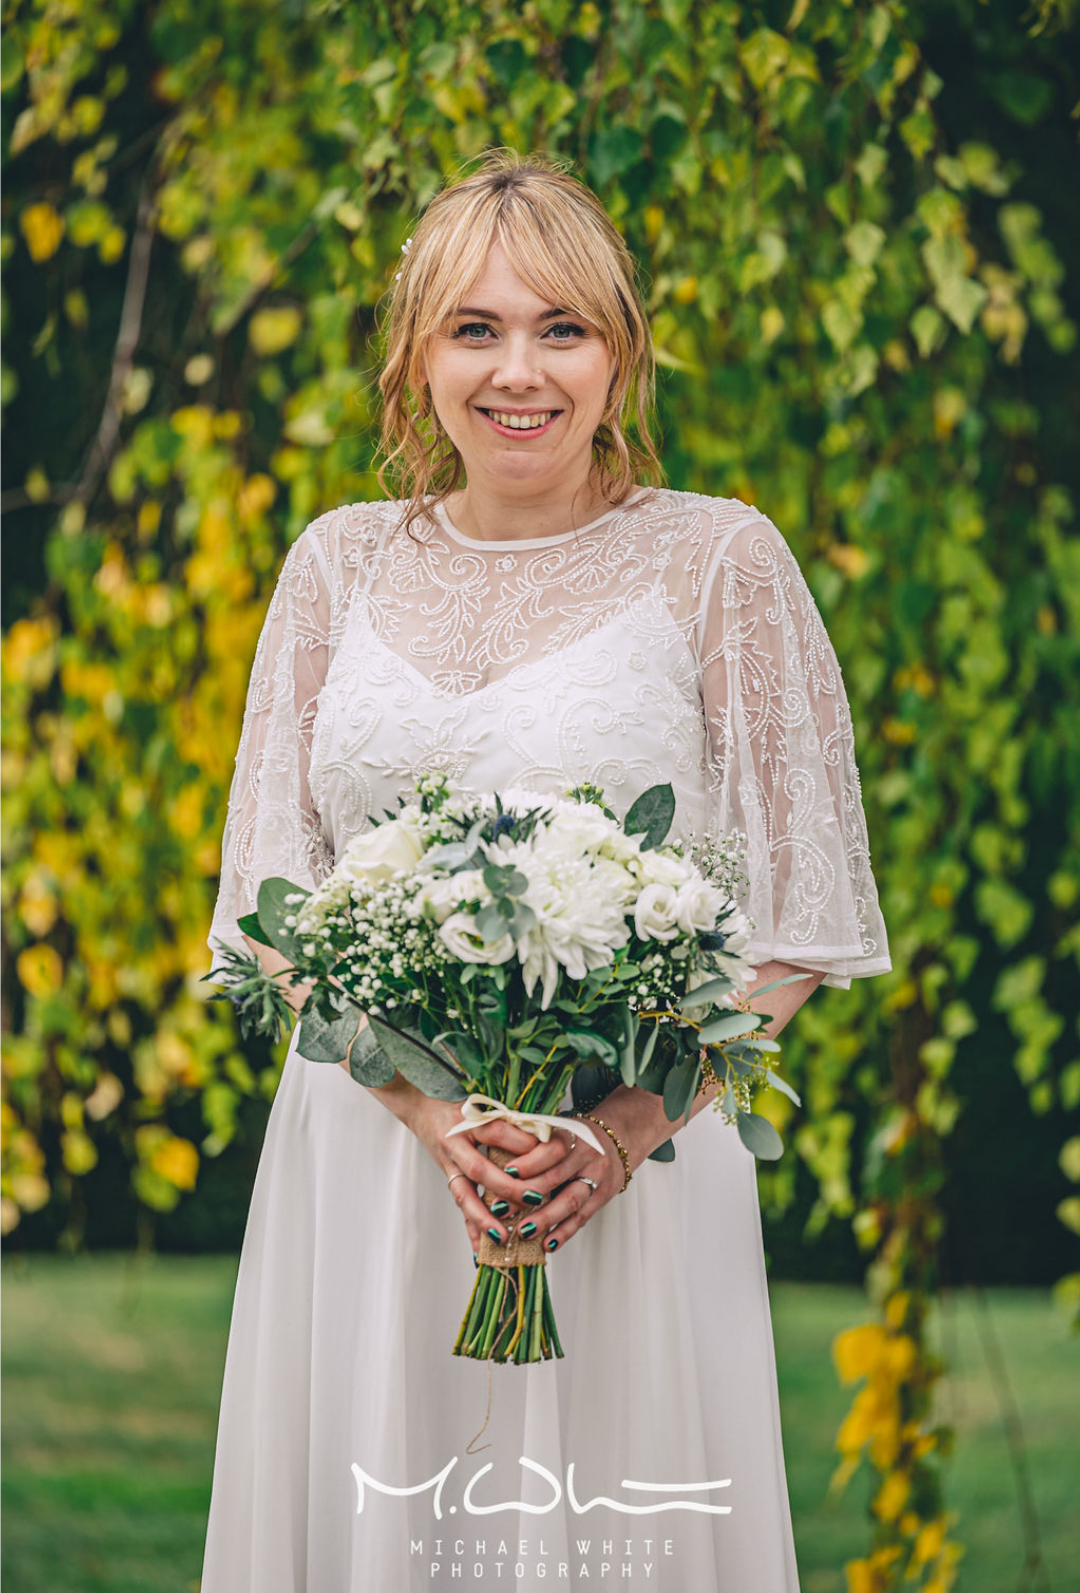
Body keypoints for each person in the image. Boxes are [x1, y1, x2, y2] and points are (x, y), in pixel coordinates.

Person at [200, 149, 891, 1592]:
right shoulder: (336, 566)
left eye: (561, 328)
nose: (522, 371)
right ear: (415, 358)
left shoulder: (718, 560)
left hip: (624, 1178)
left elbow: (804, 916)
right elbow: (266, 897)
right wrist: (422, 1108)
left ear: (622, 353)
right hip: (376, 1172)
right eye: (476, 328)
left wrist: (625, 1131)